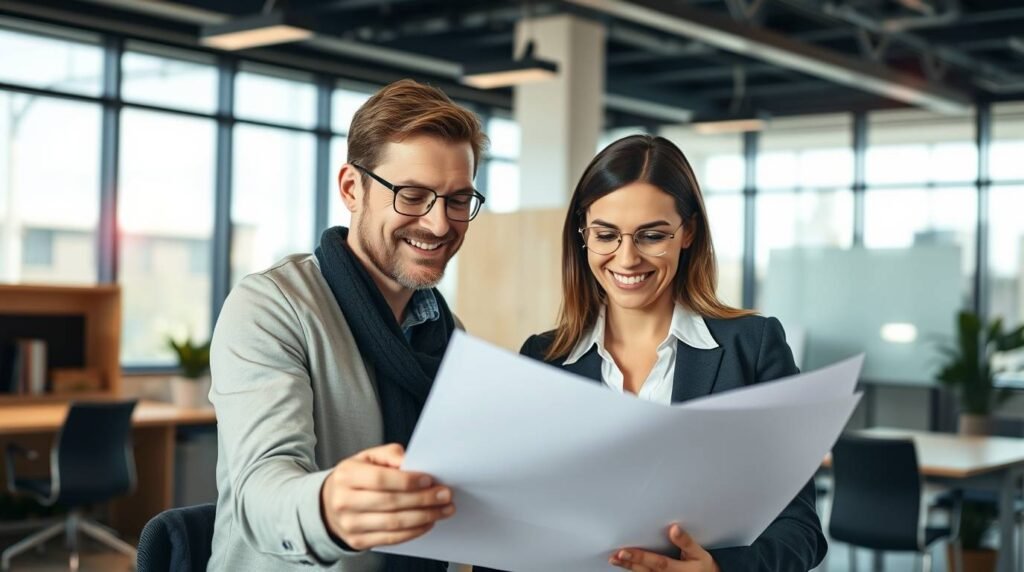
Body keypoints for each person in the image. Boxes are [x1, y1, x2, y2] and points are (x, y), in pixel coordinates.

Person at [489, 134, 827, 572]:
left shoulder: (752, 348)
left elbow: (800, 527)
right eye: (606, 235)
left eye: (651, 235)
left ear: (688, 232)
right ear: (583, 235)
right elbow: (512, 520)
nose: (627, 258)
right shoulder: (543, 358)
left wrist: (722, 570)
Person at [207, 79, 488, 571]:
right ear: (351, 189)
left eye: (458, 200)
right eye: (413, 195)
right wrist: (329, 505)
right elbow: (261, 490)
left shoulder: (449, 335)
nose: (440, 224)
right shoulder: (273, 307)